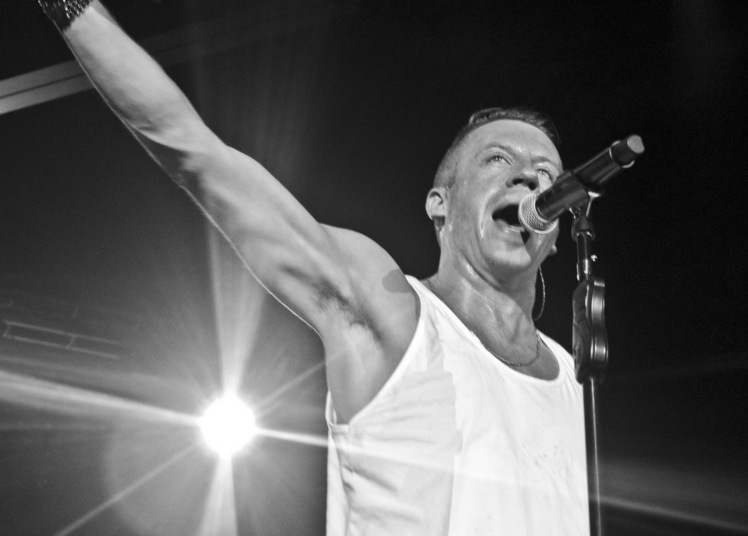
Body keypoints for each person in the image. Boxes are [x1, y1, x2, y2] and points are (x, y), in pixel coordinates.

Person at [37, 1, 589, 534]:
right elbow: (196, 153)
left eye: (547, 173)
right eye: (499, 160)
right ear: (439, 203)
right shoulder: (392, 312)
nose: (529, 181)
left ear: (559, 229)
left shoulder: (579, 381)